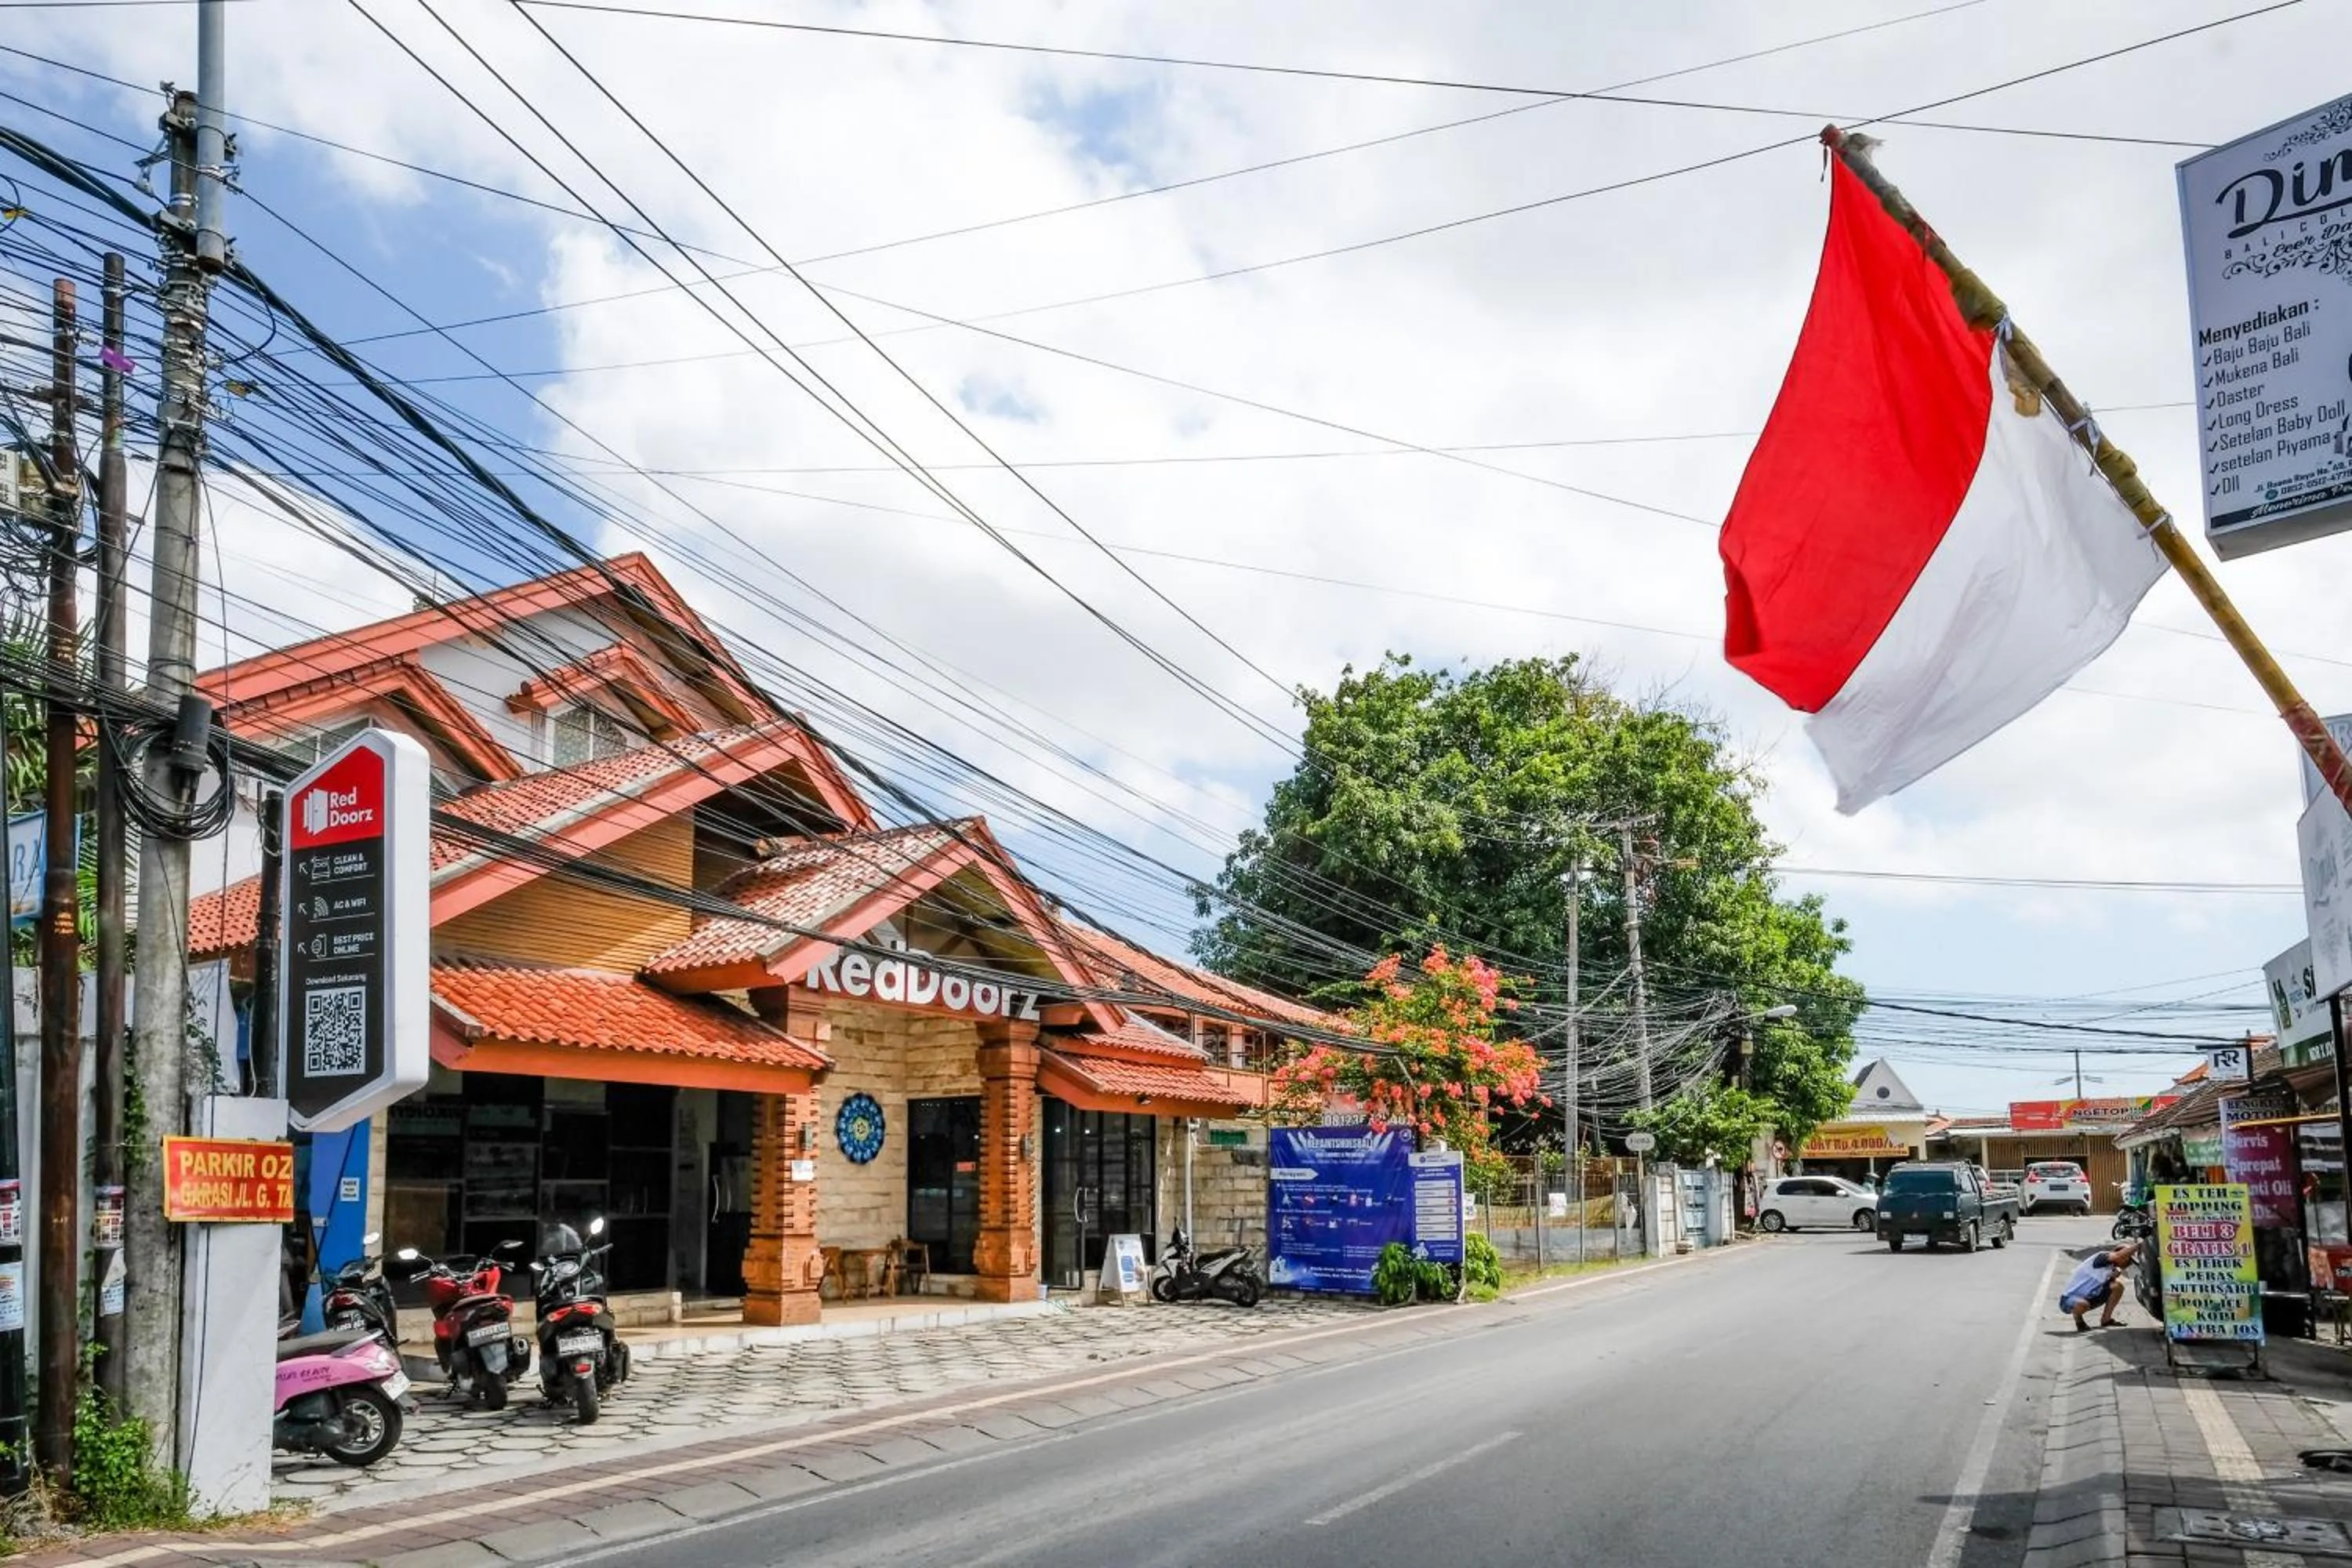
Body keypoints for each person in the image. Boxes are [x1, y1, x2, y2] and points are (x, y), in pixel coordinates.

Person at [2060, 1240, 2138, 1331]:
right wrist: (2139, 1245)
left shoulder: (2113, 1267)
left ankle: (2106, 1320)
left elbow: (2107, 1285)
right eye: (2128, 1260)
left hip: (2090, 1297)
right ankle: (2079, 1321)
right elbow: (2118, 1256)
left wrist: (2113, 1277)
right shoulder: (2101, 1257)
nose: (2128, 1264)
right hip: (2069, 1300)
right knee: (2082, 1304)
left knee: (2117, 1286)